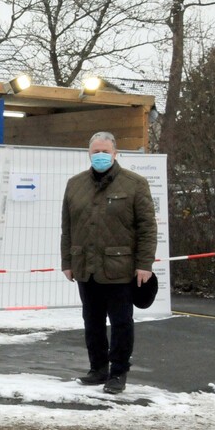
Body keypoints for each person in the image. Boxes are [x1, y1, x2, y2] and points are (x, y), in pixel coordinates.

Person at [61, 131, 156, 394]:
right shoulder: (74, 184)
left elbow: (147, 228)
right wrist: (67, 261)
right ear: (89, 154)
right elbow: (67, 228)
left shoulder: (135, 184)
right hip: (85, 268)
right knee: (92, 321)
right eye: (95, 152)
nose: (100, 156)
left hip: (120, 270)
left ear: (115, 153)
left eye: (105, 151)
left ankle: (118, 373)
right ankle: (98, 368)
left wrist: (144, 264)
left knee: (121, 323)